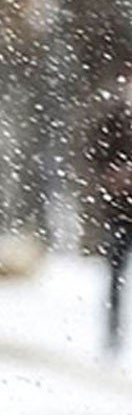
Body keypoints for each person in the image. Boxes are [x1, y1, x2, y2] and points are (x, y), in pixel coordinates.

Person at [88, 78, 132, 353]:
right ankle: (112, 333)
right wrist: (113, 177)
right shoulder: (112, 120)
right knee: (115, 273)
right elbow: (94, 155)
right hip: (119, 211)